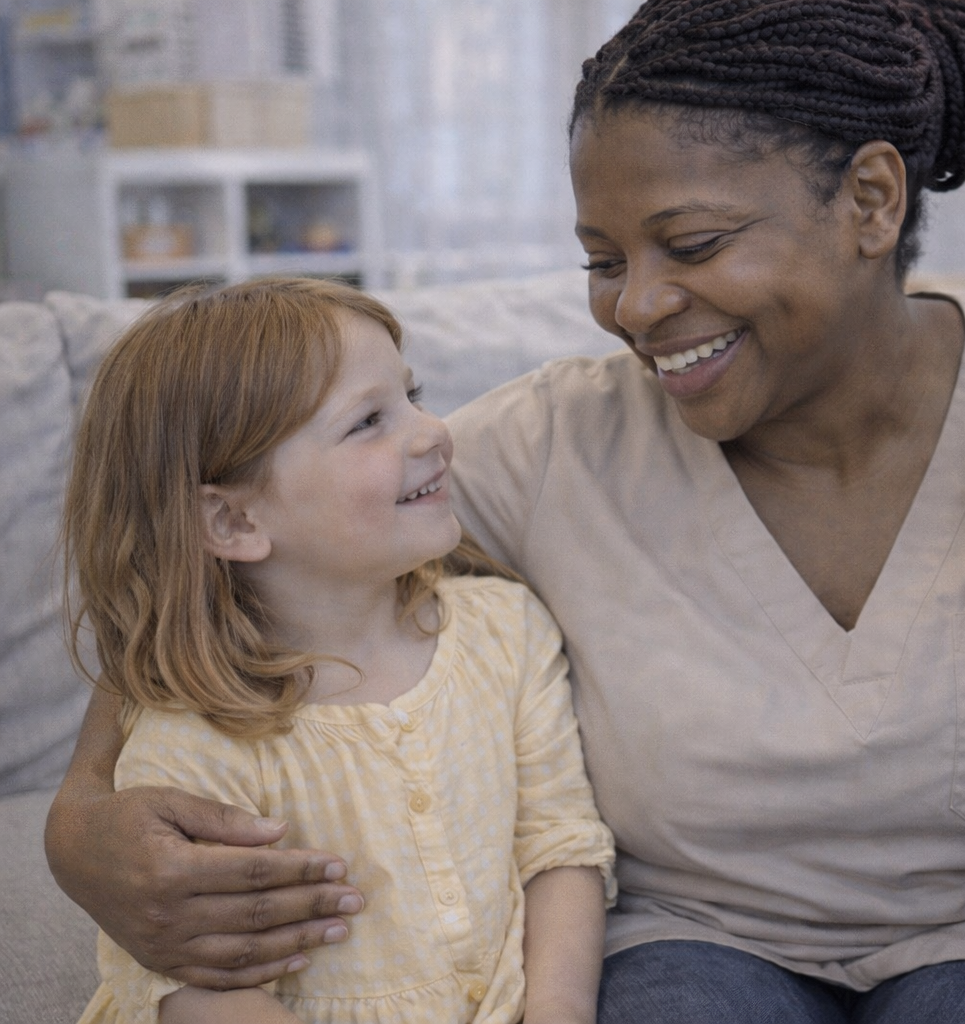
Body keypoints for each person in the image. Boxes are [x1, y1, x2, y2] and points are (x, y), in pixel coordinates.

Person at [42, 2, 965, 1022]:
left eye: (688, 242)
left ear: (872, 202)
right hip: (689, 936)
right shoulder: (544, 445)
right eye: (599, 255)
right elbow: (237, 573)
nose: (635, 306)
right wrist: (81, 825)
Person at [61, 278, 615, 1024]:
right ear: (231, 520)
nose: (432, 432)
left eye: (413, 395)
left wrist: (556, 1010)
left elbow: (559, 847)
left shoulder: (507, 631)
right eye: (369, 422)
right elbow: (192, 987)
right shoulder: (192, 738)